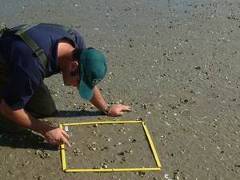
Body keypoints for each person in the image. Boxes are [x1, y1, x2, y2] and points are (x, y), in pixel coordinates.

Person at [0, 23, 131, 147]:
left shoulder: (77, 43)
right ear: (74, 65)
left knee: (45, 110)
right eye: (78, 82)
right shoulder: (32, 66)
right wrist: (45, 129)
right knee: (14, 123)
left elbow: (86, 76)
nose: (76, 86)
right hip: (8, 63)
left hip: (19, 60)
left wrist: (106, 108)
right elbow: (10, 109)